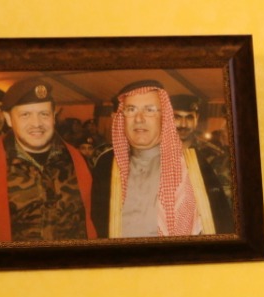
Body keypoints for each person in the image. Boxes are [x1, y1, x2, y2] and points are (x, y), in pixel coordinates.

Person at [0, 78, 96, 242]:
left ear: (54, 116)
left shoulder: (79, 161)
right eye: (25, 115)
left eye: (44, 114)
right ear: (8, 119)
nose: (36, 124)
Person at [91, 80, 217, 237]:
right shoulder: (106, 164)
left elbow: (219, 224)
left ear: (164, 117)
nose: (139, 118)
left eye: (149, 110)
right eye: (131, 109)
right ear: (121, 118)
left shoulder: (193, 165)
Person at [170, 93, 235, 233]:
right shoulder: (152, 154)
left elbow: (226, 201)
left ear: (197, 118)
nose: (183, 124)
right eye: (177, 117)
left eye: (189, 117)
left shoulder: (215, 155)